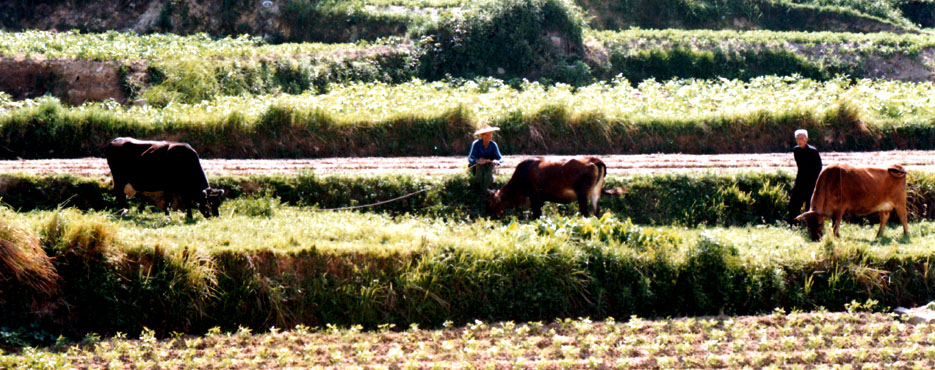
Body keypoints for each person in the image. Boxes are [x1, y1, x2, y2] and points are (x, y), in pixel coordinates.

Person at [788, 129, 822, 223]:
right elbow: (800, 167)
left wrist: (814, 181)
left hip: (811, 181)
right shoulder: (796, 150)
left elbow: (818, 167)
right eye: (797, 138)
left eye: (801, 138)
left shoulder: (813, 151)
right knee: (794, 203)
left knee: (809, 204)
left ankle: (809, 224)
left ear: (806, 139)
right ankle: (793, 223)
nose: (799, 140)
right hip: (800, 180)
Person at [468, 125, 502, 191]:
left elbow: (500, 158)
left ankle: (488, 189)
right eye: (486, 135)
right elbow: (470, 158)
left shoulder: (493, 145)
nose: (489, 136)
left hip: (489, 166)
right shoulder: (476, 144)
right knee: (479, 176)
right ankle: (479, 189)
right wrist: (478, 161)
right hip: (477, 167)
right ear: (482, 136)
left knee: (489, 176)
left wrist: (496, 161)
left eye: (490, 134)